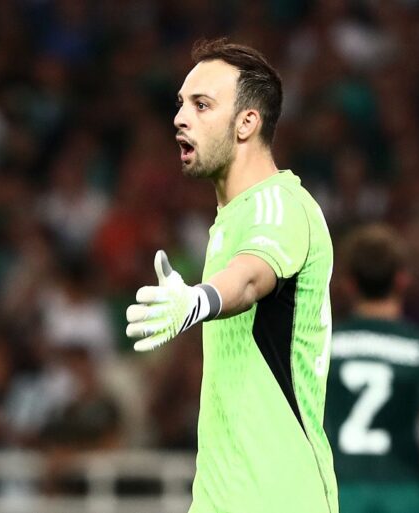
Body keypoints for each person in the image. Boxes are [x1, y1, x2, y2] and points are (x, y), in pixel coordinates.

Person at [124, 38, 337, 513]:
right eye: (180, 103)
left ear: (247, 123)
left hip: (280, 499)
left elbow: (248, 278)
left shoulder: (280, 204)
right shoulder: (232, 219)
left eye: (202, 105)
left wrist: (196, 301)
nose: (180, 118)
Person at [325, 225, 419, 513]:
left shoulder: (323, 343)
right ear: (402, 280)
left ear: (349, 284)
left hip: (338, 489)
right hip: (403, 491)